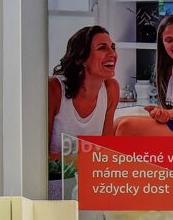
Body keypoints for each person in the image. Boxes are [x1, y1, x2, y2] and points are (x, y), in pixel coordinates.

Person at [48, 25, 121, 161]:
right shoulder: (54, 89)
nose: (112, 54)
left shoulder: (111, 89)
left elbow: (106, 151)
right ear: (80, 58)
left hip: (90, 170)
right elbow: (37, 154)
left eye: (113, 47)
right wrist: (86, 162)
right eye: (102, 48)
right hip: (55, 174)